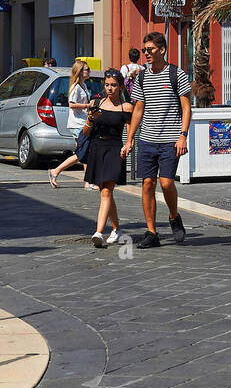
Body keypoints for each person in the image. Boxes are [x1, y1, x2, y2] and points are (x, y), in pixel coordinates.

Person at [122, 31, 191, 249]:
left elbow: (186, 107)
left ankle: (173, 215)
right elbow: (138, 109)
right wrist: (130, 138)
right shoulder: (142, 76)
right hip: (147, 139)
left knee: (166, 182)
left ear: (162, 50)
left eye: (150, 49)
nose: (146, 54)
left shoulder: (177, 74)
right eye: (144, 50)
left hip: (170, 139)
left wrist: (183, 136)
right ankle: (151, 232)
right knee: (147, 184)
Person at [80, 68, 132, 247]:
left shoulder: (126, 107)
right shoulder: (97, 102)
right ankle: (117, 229)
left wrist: (128, 144)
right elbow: (86, 132)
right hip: (97, 148)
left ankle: (98, 232)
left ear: (121, 87)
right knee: (105, 192)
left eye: (114, 85)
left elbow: (130, 131)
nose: (110, 88)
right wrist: (90, 119)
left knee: (106, 192)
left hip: (114, 149)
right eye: (107, 85)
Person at [49, 60, 96, 189]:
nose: (89, 71)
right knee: (82, 153)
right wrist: (87, 105)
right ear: (80, 72)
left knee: (84, 152)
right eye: (86, 69)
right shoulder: (76, 87)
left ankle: (88, 182)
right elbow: (71, 104)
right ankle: (56, 171)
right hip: (78, 124)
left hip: (83, 121)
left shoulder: (84, 86)